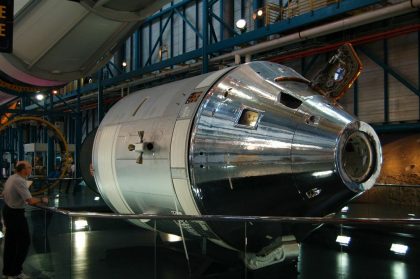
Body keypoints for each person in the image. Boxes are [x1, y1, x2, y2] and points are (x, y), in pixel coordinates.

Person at [2, 161, 48, 279]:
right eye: (29, 167)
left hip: (8, 211)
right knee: (23, 242)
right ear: (23, 170)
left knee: (10, 243)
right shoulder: (20, 181)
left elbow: (4, 193)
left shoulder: (12, 178)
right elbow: (30, 200)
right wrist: (43, 199)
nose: (31, 169)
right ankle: (15, 272)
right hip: (15, 215)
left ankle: (8, 272)